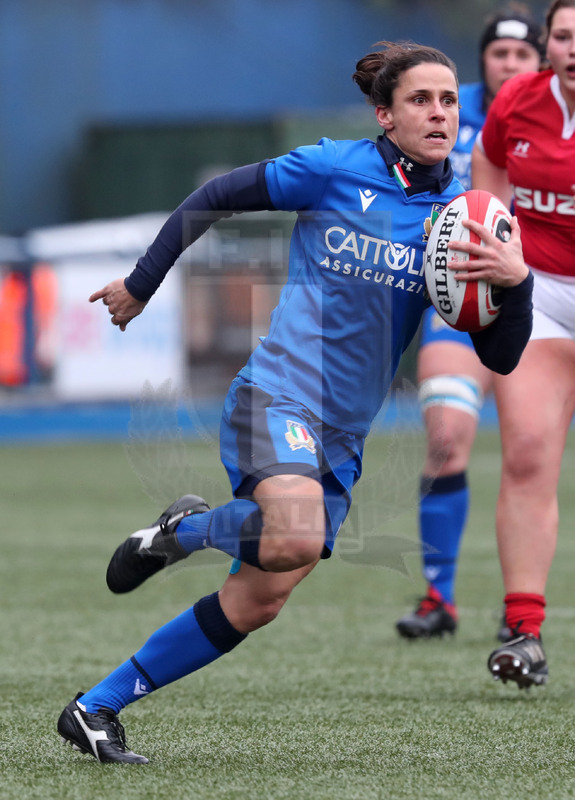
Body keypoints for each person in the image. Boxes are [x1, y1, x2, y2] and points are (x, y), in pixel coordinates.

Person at [56, 41, 532, 764]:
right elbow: (213, 197)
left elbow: (498, 357)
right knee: (297, 537)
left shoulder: (463, 218)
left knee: (260, 600)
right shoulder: (334, 168)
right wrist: (141, 285)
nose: (438, 113)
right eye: (419, 101)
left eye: (446, 101)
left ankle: (95, 707)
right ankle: (182, 533)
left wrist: (517, 283)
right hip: (277, 393)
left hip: (342, 437)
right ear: (384, 113)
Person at [395, 6, 543, 640]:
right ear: (483, 58)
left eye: (522, 55)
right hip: (457, 303)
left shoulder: (552, 114)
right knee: (447, 437)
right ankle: (438, 598)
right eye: (499, 54)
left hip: (538, 303)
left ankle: (521, 607)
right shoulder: (446, 110)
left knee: (531, 454)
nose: (509, 64)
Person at [470, 0, 575, 689]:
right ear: (547, 45)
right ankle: (523, 633)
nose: (574, 47)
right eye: (564, 36)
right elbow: (486, 163)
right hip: (539, 294)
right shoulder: (518, 98)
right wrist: (488, 236)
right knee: (529, 451)